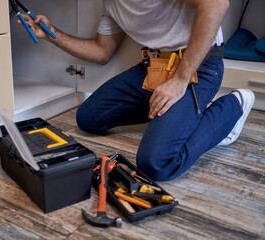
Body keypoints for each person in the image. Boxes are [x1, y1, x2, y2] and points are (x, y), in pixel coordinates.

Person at [19, 0, 255, 181]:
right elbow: (102, 52)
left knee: (158, 163)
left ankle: (235, 106)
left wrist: (180, 80)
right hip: (155, 68)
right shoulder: (110, 3)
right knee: (88, 118)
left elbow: (215, 4)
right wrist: (51, 34)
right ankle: (184, 116)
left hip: (197, 68)